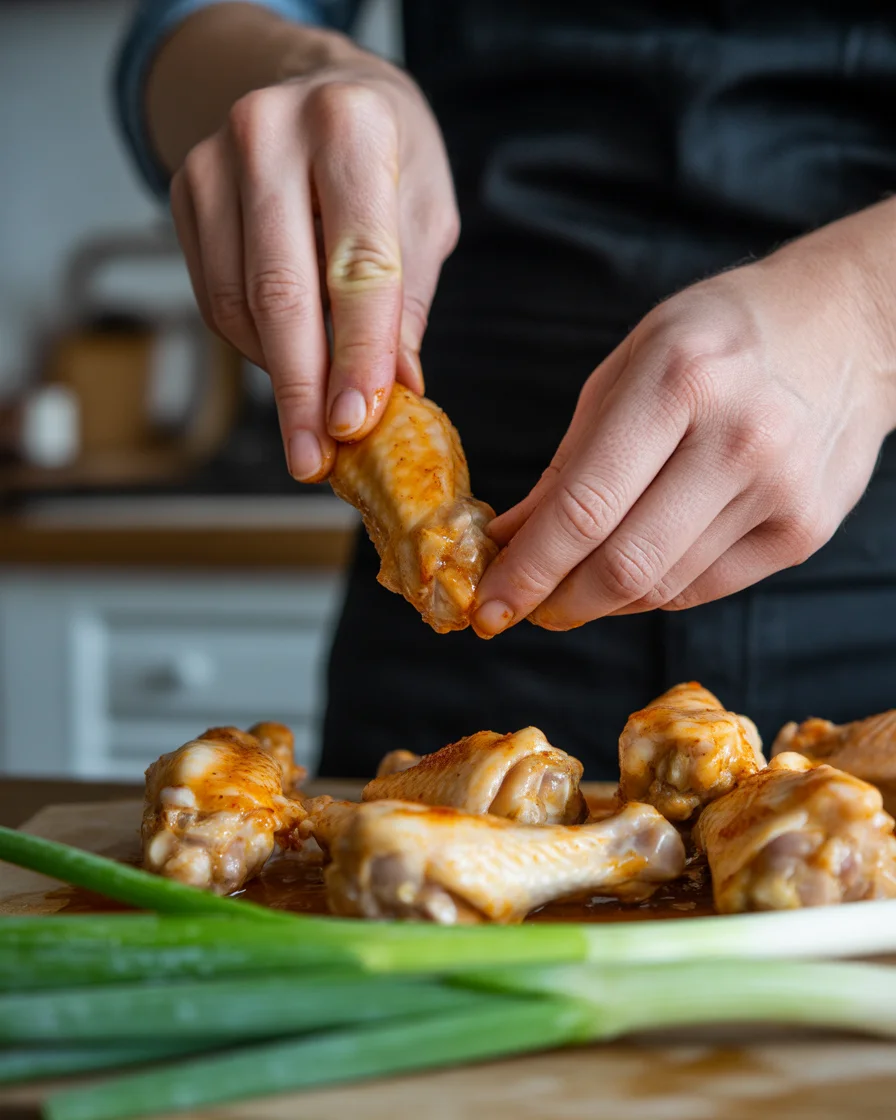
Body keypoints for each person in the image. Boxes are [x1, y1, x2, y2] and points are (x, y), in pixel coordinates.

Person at [114, 1, 896, 778]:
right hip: (457, 623)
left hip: (870, 587)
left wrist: (864, 313)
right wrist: (307, 76)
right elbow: (185, 28)